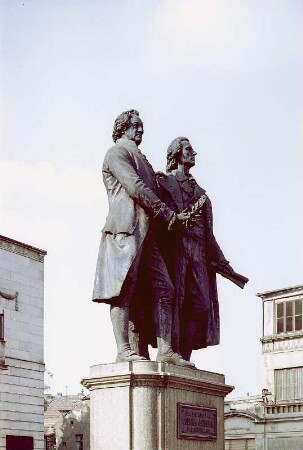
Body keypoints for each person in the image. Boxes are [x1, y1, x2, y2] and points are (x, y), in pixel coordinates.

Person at [92, 111, 194, 367]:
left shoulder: (142, 159)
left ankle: (166, 350)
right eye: (135, 126)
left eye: (141, 126)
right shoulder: (116, 153)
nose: (140, 130)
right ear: (122, 128)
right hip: (125, 230)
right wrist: (168, 213)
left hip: (147, 235)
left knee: (165, 290)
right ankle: (123, 350)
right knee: (123, 290)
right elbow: (136, 187)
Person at [156, 137, 248, 361]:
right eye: (188, 149)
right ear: (176, 154)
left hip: (198, 255)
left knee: (201, 306)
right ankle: (173, 353)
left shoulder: (202, 195)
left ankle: (184, 357)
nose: (193, 153)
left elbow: (209, 235)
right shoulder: (163, 183)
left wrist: (225, 264)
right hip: (175, 251)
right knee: (175, 302)